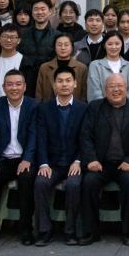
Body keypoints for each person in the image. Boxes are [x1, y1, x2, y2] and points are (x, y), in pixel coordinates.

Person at [78, 73, 129, 245]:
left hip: (125, 164)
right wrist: (91, 159)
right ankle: (91, 232)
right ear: (104, 90)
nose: (116, 90)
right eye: (111, 86)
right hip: (100, 163)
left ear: (126, 88)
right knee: (89, 182)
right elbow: (85, 136)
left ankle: (128, 232)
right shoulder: (95, 107)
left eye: (119, 86)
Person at [0, 69, 37, 245]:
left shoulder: (33, 106)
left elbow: (34, 135)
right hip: (2, 159)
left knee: (26, 180)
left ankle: (26, 229)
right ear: (3, 87)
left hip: (24, 159)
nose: (14, 88)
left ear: (25, 86)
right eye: (10, 84)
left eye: (18, 84)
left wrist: (27, 159)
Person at [33, 66, 86, 246]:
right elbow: (41, 139)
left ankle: (70, 231)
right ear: (54, 84)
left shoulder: (83, 108)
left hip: (74, 163)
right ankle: (44, 230)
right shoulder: (44, 108)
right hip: (52, 164)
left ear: (75, 83)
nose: (64, 84)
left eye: (68, 81)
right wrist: (43, 164)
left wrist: (78, 160)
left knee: (73, 184)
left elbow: (86, 139)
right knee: (40, 183)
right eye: (60, 81)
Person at [35, 33, 88, 102]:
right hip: (48, 107)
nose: (63, 48)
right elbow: (39, 94)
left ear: (72, 47)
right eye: (59, 45)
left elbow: (84, 94)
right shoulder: (44, 68)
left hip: (75, 107)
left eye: (66, 45)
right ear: (54, 47)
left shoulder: (81, 68)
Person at [86, 33, 129, 101]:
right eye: (110, 44)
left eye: (117, 44)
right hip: (100, 106)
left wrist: (122, 105)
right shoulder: (95, 65)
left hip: (125, 107)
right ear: (104, 45)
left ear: (122, 45)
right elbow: (94, 92)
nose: (114, 47)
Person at [19, 0, 58, 82]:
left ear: (50, 11)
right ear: (32, 12)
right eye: (36, 9)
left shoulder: (57, 36)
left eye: (43, 9)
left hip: (48, 80)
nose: (39, 12)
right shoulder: (22, 34)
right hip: (25, 80)